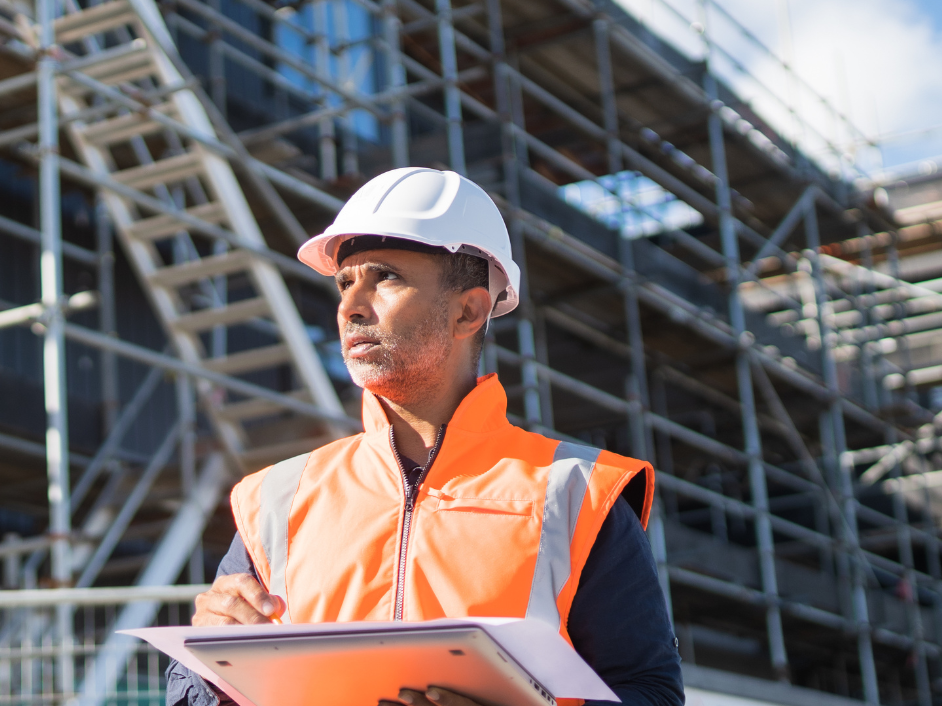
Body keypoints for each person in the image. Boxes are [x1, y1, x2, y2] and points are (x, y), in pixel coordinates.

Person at [165, 168, 684, 706]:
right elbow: (186, 698)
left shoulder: (577, 494)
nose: (351, 306)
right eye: (345, 282)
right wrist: (209, 664)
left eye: (384, 277)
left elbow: (651, 694)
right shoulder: (274, 498)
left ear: (469, 311)